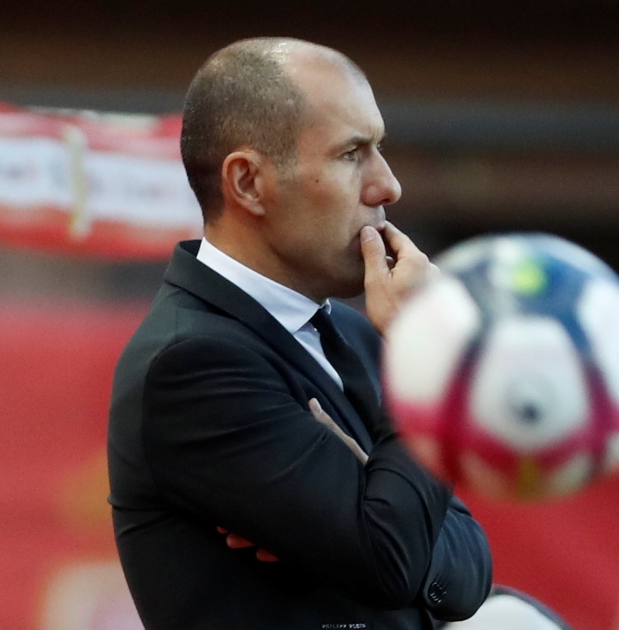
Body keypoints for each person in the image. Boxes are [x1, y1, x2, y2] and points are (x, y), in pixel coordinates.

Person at [108, 37, 569, 630]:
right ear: (248, 183)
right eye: (352, 154)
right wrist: (422, 358)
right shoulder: (192, 362)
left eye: (379, 149)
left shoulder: (360, 332)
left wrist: (372, 512)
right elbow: (389, 559)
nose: (387, 186)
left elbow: (467, 572)